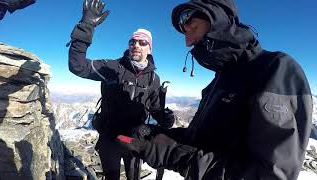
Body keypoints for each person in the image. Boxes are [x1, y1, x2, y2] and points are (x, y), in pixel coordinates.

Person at [116, 0, 313, 179]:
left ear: (218, 22)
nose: (188, 42)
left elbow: (270, 175)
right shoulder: (220, 81)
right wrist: (155, 134)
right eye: (186, 33)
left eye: (193, 28)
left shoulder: (274, 70)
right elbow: (201, 141)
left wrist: (173, 156)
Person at [67, 0, 174, 179]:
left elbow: (155, 110)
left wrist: (166, 118)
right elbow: (77, 66)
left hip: (134, 140)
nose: (136, 45)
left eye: (142, 42)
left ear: (150, 48)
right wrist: (86, 26)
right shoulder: (113, 67)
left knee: (133, 177)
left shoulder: (154, 79)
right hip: (109, 138)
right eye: (133, 41)